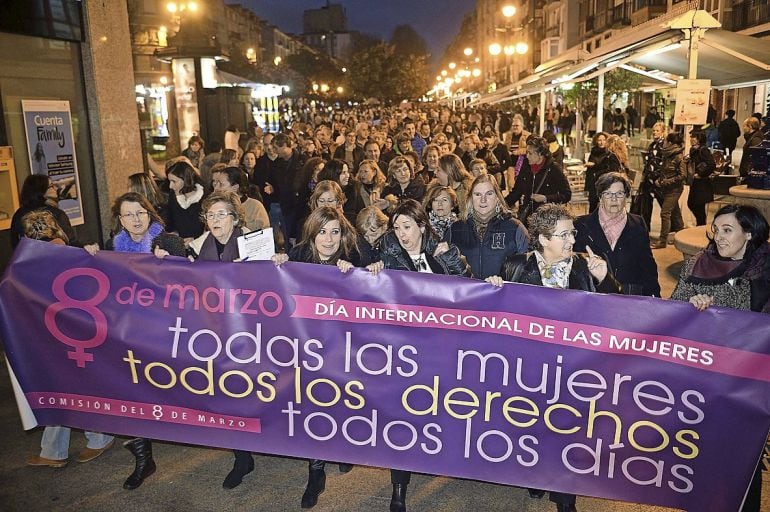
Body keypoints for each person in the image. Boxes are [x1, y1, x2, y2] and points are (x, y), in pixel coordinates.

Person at [487, 203, 621, 512]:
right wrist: (494, 288)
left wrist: (606, 281)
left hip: (573, 369)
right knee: (532, 427)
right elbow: (501, 315)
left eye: (572, 232)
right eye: (564, 234)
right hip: (530, 370)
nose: (572, 240)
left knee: (568, 430)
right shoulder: (517, 265)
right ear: (544, 239)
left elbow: (617, 314)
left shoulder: (584, 267)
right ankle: (536, 477)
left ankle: (565, 498)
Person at [366, 198, 472, 512]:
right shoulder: (387, 258)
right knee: (401, 418)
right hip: (404, 354)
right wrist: (371, 272)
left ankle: (439, 460)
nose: (402, 233)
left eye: (407, 226)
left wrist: (451, 259)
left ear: (422, 226)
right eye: (396, 227)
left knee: (439, 413)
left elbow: (468, 285)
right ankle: (399, 487)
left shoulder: (441, 251)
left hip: (442, 351)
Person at [670, 204, 770, 512]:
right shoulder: (696, 264)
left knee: (743, 468)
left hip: (746, 391)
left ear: (749, 234)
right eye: (716, 229)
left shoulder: (764, 273)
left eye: (728, 230)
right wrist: (692, 307)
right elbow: (671, 314)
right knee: (700, 463)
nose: (719, 236)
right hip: (702, 389)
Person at [87, 192, 185, 489]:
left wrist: (171, 262)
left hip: (167, 333)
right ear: (120, 220)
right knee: (127, 390)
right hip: (129, 333)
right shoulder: (113, 248)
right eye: (129, 214)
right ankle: (144, 459)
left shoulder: (167, 240)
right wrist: (89, 256)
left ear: (150, 213)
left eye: (141, 212)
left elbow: (191, 278)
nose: (136, 219)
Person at [271, 207, 361, 509]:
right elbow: (275, 292)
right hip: (304, 346)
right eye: (323, 231)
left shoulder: (352, 256)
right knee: (314, 406)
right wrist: (278, 265)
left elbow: (370, 297)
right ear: (312, 232)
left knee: (341, 402)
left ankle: (342, 450)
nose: (329, 239)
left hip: (341, 347)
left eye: (335, 231)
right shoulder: (297, 255)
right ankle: (316, 469)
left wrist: (361, 274)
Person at [22, 209, 115, 469]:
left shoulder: (45, 256)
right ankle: (62, 448)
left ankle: (80, 443)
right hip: (67, 329)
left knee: (67, 386)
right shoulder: (65, 252)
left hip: (66, 330)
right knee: (67, 386)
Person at [574, 173, 660, 296]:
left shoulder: (638, 224)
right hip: (595, 294)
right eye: (608, 194)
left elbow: (647, 266)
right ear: (600, 197)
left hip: (629, 295)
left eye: (619, 193)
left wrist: (654, 297)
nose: (614, 199)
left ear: (626, 197)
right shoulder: (581, 225)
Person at [445, 174, 529, 279]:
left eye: (489, 194)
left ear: (497, 197)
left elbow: (528, 270)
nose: (483, 200)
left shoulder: (515, 228)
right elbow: (444, 270)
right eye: (477, 194)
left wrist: (503, 282)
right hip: (466, 294)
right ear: (470, 198)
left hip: (503, 293)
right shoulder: (456, 229)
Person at [506, 136, 572, 225]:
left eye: (530, 153)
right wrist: (502, 205)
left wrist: (545, 198)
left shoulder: (553, 168)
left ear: (540, 154)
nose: (527, 156)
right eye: (526, 152)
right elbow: (516, 191)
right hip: (527, 219)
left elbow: (566, 195)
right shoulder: (526, 166)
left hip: (546, 220)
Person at [11, 174, 78, 248]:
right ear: (41, 191)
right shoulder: (56, 213)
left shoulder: (19, 214)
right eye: (51, 186)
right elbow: (71, 242)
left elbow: (16, 244)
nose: (55, 189)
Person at [651, 132, 686, 249]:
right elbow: (664, 171)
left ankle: (662, 241)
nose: (664, 142)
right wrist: (660, 180)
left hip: (674, 189)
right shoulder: (667, 154)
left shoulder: (678, 156)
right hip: (667, 189)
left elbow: (682, 175)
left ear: (670, 143)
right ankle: (682, 236)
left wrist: (666, 181)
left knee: (665, 213)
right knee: (675, 212)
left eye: (666, 140)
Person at [211, 166, 269, 232]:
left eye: (221, 184)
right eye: (215, 183)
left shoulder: (255, 206)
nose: (216, 188)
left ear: (235, 187)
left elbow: (265, 235)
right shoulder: (214, 206)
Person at [164, 159, 206, 243]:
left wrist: (195, 239)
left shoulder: (205, 198)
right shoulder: (173, 197)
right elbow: (170, 222)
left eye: (174, 181)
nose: (170, 186)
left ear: (186, 180)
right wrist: (174, 233)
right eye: (169, 181)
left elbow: (208, 228)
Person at [687, 131, 717, 226]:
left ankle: (701, 227)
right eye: (691, 137)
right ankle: (700, 225)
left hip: (702, 183)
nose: (692, 139)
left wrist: (700, 174)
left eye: (694, 137)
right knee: (692, 204)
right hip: (694, 182)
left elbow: (712, 164)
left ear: (699, 139)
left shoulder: (703, 150)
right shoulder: (692, 150)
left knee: (698, 206)